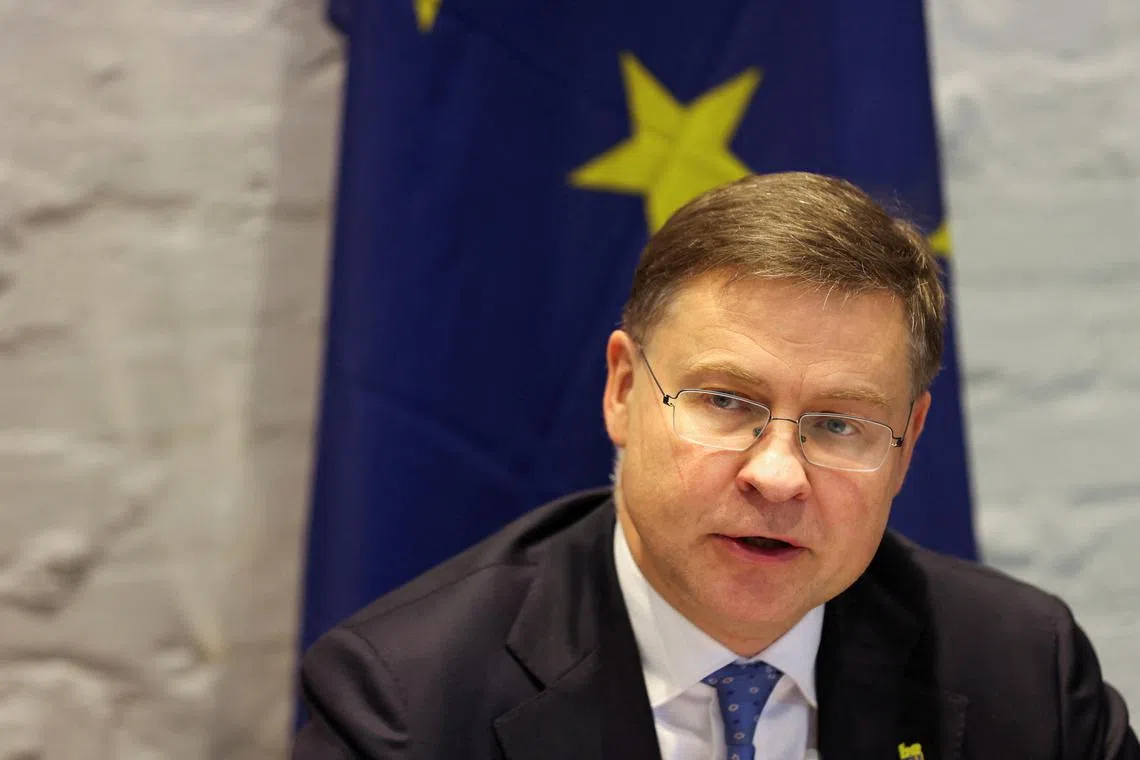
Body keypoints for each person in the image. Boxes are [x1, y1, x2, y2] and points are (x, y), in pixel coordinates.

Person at [293, 172, 1138, 759]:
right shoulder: (406, 703)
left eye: (839, 424)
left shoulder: (1024, 671)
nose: (777, 475)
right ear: (624, 390)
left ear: (908, 443)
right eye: (726, 402)